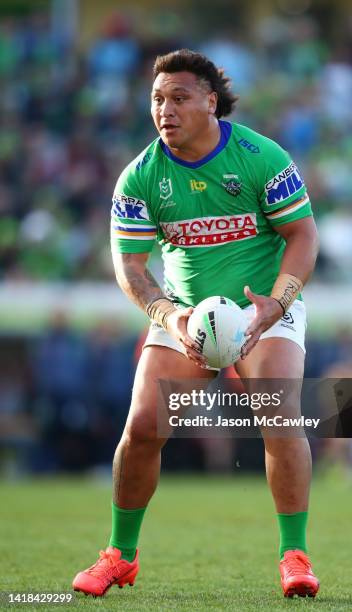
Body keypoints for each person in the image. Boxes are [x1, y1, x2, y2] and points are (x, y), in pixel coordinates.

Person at [72, 49, 320, 599]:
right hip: (185, 312)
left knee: (279, 412)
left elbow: (303, 236)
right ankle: (119, 555)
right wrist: (168, 313)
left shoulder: (261, 156)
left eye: (180, 97)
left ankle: (294, 556)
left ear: (211, 102)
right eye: (158, 99)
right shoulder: (139, 177)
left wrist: (277, 303)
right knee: (141, 427)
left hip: (262, 308)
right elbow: (130, 267)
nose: (166, 109)